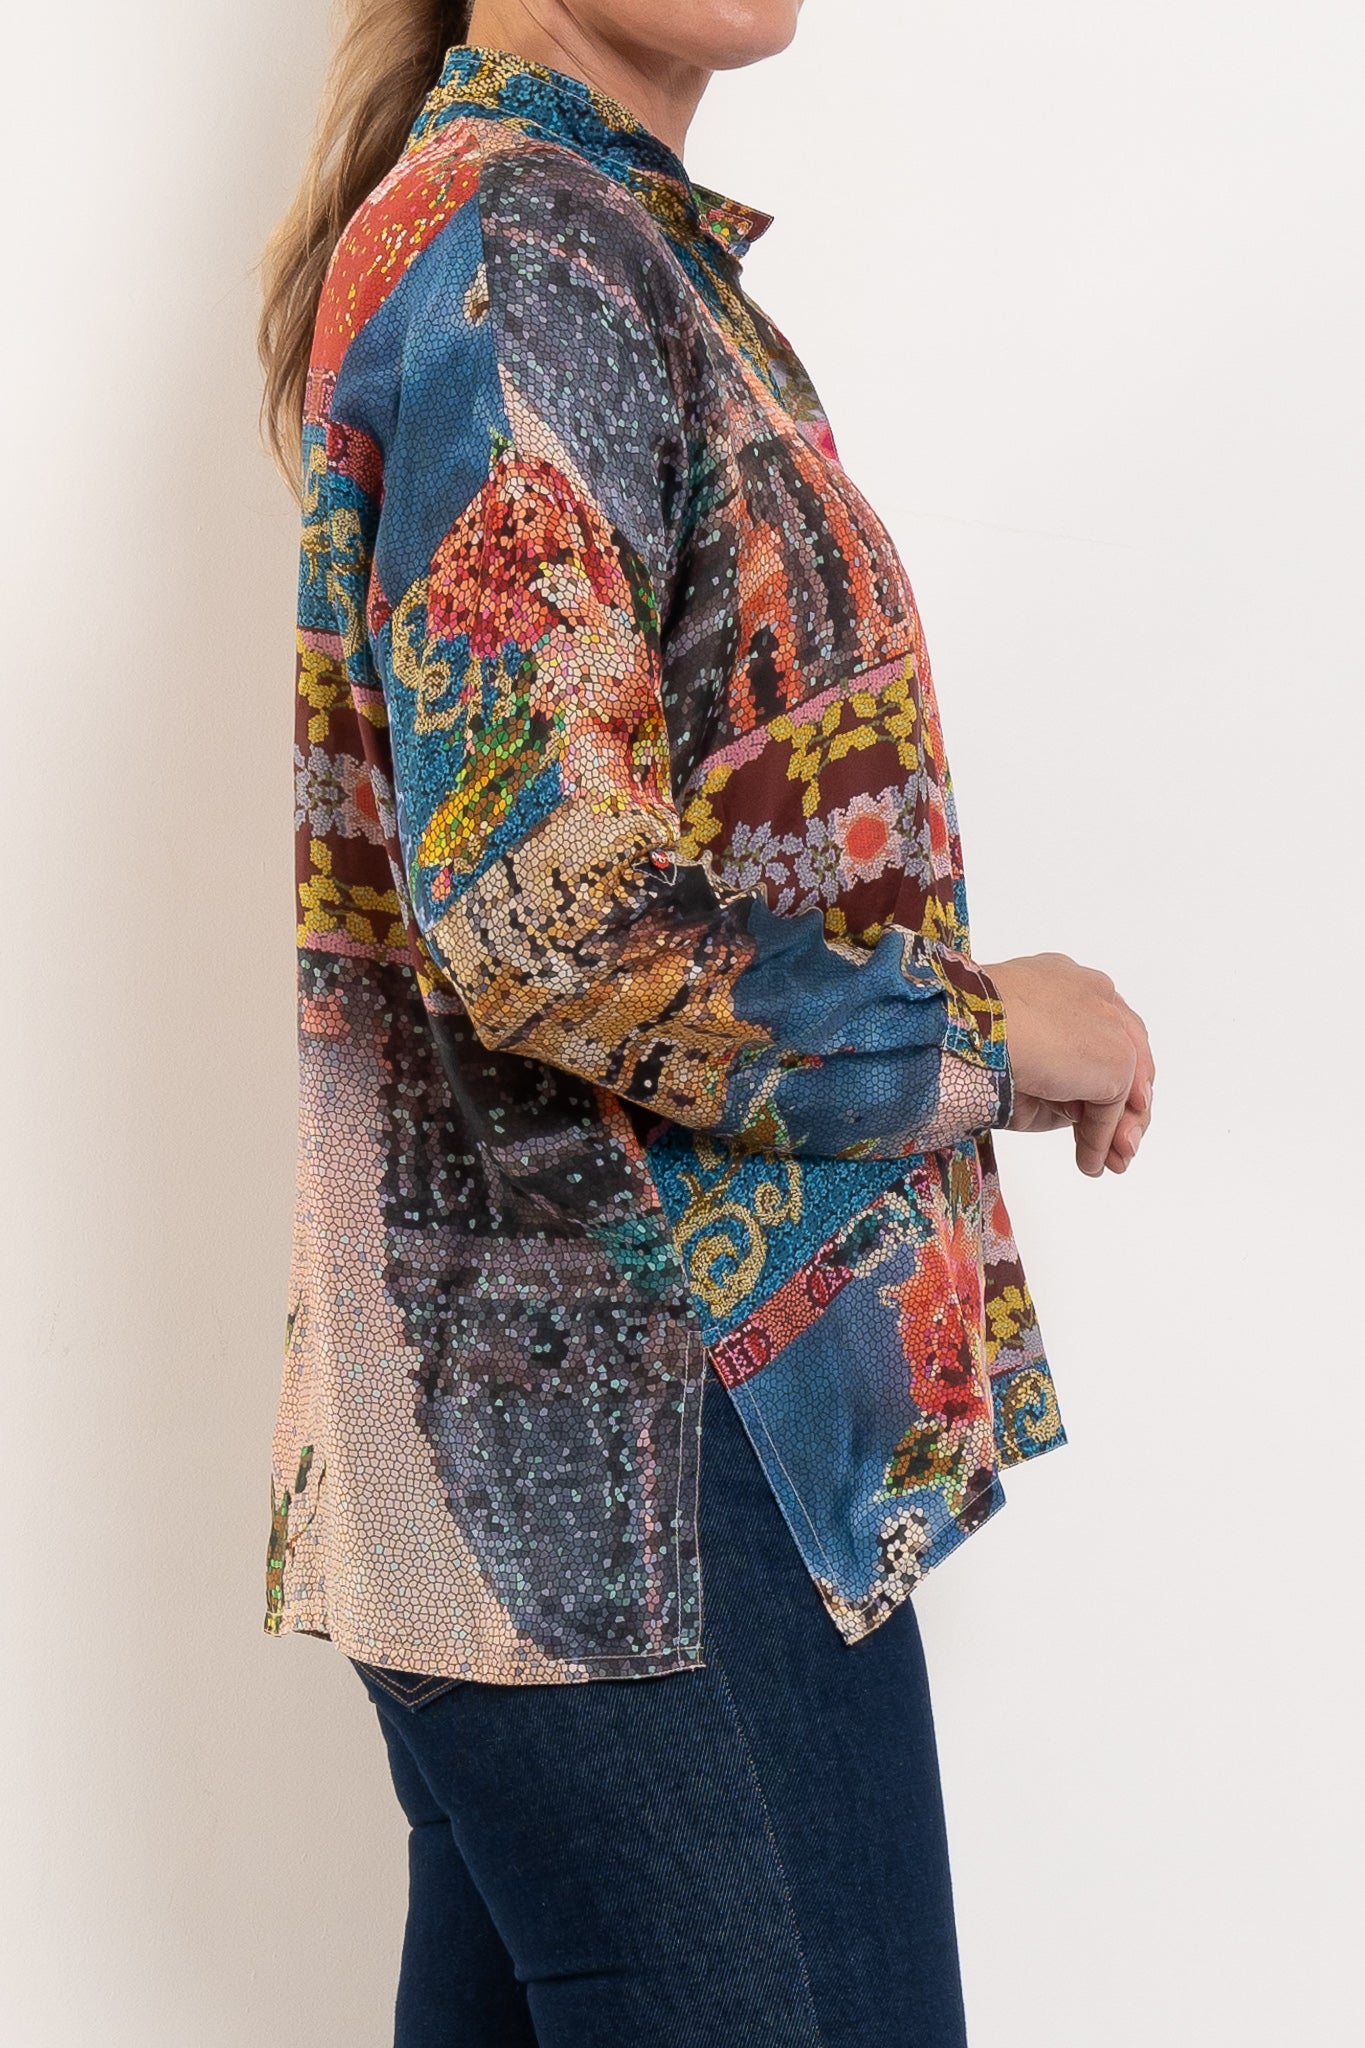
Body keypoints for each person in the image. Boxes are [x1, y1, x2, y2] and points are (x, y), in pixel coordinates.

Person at [256, 2, 1154, 2041]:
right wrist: (983, 1036)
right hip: (641, 1459)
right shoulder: (527, 248)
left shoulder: (578, 241)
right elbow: (545, 913)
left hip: (569, 1458)